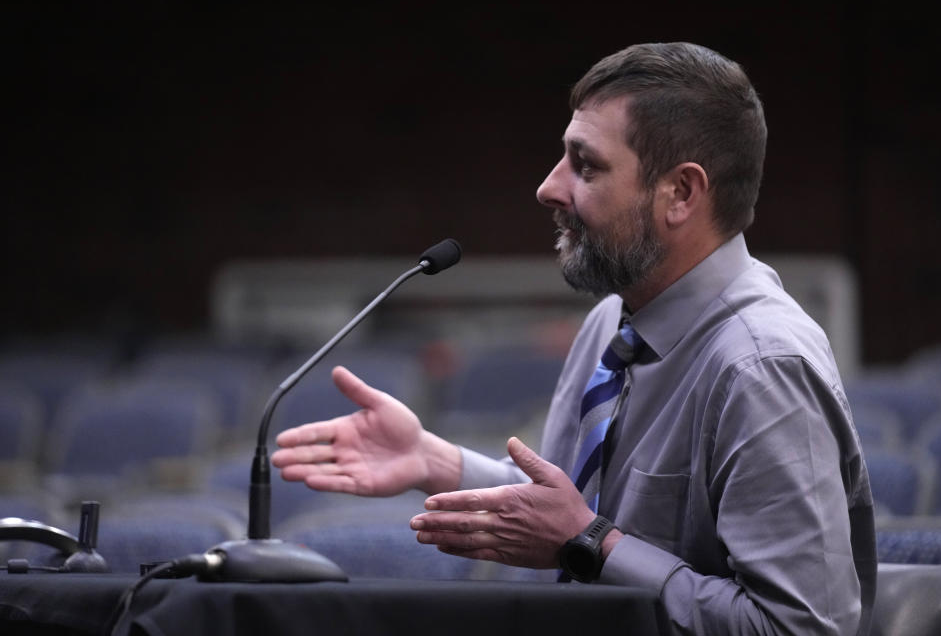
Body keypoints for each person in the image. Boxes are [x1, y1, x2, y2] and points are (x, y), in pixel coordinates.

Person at [271, 42, 876, 635]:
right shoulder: (615, 321)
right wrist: (434, 460)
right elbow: (568, 516)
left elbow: (801, 628)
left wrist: (592, 544)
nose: (549, 187)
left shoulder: (761, 367)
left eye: (585, 165)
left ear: (681, 194)